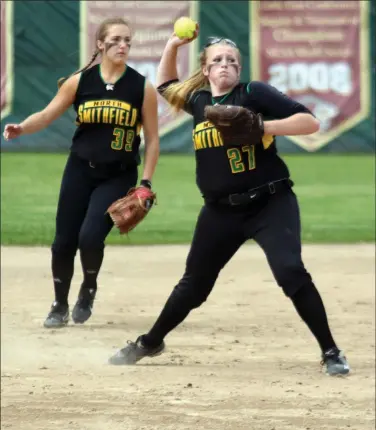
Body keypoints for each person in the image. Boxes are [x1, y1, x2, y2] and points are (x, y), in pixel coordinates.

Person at [108, 29, 350, 376]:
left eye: (232, 61)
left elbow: (310, 122)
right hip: (220, 211)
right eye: (217, 60)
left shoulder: (252, 92)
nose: (225, 65)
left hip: (270, 203)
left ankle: (331, 351)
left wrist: (262, 126)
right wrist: (173, 45)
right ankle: (149, 342)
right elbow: (165, 85)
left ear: (239, 69)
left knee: (290, 271)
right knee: (193, 286)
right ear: (205, 70)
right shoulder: (199, 101)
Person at [3, 17, 160, 328]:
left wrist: (145, 182)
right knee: (63, 241)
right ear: (100, 44)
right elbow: (47, 114)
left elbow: (153, 139)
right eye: (115, 40)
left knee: (90, 238)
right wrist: (22, 128)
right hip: (79, 169)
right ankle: (59, 303)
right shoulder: (80, 82)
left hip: (118, 174)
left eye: (127, 40)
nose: (123, 45)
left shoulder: (141, 87)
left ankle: (88, 289)